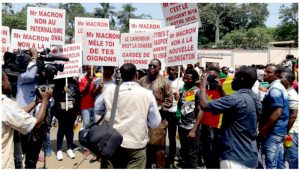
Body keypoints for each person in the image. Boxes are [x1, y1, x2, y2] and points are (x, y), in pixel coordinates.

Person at [95, 63, 161, 168]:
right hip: (136, 142)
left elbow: (98, 110)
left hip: (112, 141)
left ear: (120, 75)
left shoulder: (110, 90)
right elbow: (155, 122)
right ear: (136, 74)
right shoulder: (147, 94)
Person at [199, 66, 262, 168]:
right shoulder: (255, 98)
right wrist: (220, 89)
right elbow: (232, 105)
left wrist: (202, 86)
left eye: (234, 78)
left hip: (234, 157)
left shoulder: (236, 98)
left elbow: (204, 105)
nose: (232, 81)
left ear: (241, 79)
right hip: (250, 155)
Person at [2, 71, 53, 169]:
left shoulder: (5, 105)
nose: (9, 82)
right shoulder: (6, 105)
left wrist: (37, 102)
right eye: (7, 79)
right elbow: (35, 123)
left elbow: (17, 114)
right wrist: (45, 100)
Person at [139, 59, 173, 168]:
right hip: (143, 120)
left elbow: (169, 100)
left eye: (154, 66)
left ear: (159, 68)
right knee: (145, 145)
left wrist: (159, 108)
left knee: (159, 147)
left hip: (159, 120)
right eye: (150, 66)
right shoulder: (142, 81)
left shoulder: (164, 82)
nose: (151, 68)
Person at [258, 65, 289, 169]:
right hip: (278, 132)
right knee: (279, 163)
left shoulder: (275, 89)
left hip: (273, 133)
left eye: (269, 72)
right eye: (265, 71)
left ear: (277, 75)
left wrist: (264, 131)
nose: (265, 73)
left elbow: (277, 112)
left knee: (271, 164)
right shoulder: (277, 87)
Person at [199, 66, 225, 169]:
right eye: (209, 76)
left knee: (214, 154)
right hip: (202, 124)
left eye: (215, 76)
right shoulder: (202, 85)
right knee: (205, 152)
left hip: (217, 126)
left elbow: (229, 101)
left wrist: (221, 87)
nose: (211, 78)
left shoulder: (223, 85)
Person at [177, 68, 203, 168]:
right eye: (185, 78)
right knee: (184, 152)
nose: (186, 80)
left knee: (192, 154)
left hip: (191, 128)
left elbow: (200, 111)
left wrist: (194, 129)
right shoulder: (185, 89)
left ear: (195, 80)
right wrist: (179, 99)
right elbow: (187, 107)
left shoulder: (197, 91)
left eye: (189, 79)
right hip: (182, 126)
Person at [51, 77, 81, 161]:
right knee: (61, 129)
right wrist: (62, 92)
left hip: (72, 110)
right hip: (61, 110)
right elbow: (54, 95)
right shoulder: (58, 81)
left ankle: (69, 148)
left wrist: (78, 110)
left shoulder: (74, 81)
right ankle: (59, 149)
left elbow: (78, 96)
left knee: (70, 129)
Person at [165, 66, 184, 168]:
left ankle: (171, 158)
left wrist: (179, 97)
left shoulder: (180, 83)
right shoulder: (164, 81)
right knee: (162, 135)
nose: (172, 72)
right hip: (164, 111)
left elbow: (184, 99)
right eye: (170, 69)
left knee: (172, 136)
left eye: (174, 70)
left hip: (174, 112)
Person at [280, 70, 298, 169]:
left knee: (292, 157)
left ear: (289, 80)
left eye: (281, 78)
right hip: (289, 131)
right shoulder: (285, 92)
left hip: (291, 132)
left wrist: (286, 131)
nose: (279, 80)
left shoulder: (292, 95)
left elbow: (293, 116)